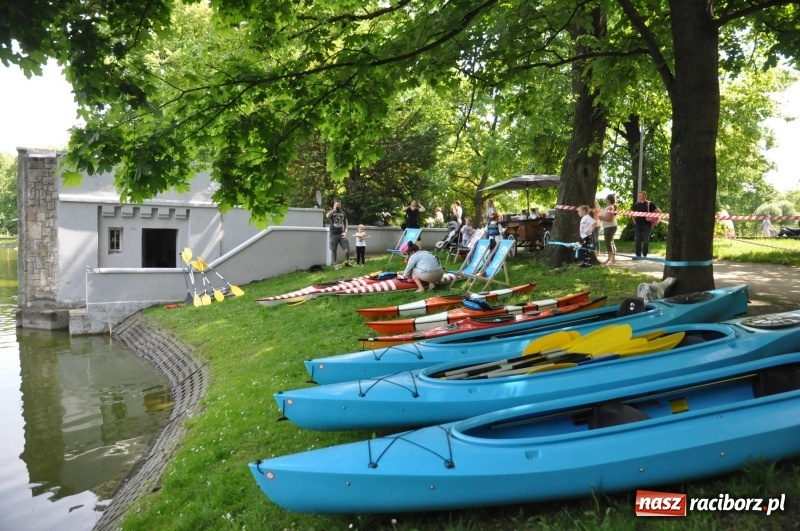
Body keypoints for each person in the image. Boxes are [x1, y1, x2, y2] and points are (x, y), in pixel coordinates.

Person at [632, 191, 661, 259]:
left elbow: (659, 212)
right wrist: (635, 223)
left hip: (647, 225)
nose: (639, 197)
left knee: (646, 240)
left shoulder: (650, 204)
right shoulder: (636, 205)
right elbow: (632, 215)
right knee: (637, 239)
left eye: (640, 195)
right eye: (638, 195)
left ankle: (645, 255)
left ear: (645, 196)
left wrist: (651, 218)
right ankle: (638, 256)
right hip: (638, 225)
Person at [326, 200, 352, 269]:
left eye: (339, 205)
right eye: (337, 205)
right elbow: (327, 216)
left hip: (341, 234)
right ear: (334, 205)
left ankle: (347, 262)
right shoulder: (331, 212)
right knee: (334, 250)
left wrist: (345, 231)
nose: (338, 206)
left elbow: (346, 222)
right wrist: (333, 210)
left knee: (347, 248)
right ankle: (335, 264)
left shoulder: (343, 213)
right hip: (333, 234)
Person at [599, 193, 618, 264]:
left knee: (608, 242)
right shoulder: (608, 207)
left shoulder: (610, 208)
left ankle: (609, 258)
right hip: (608, 226)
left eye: (606, 198)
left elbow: (610, 219)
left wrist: (601, 218)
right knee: (611, 241)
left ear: (609, 200)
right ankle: (613, 258)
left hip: (610, 227)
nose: (605, 200)